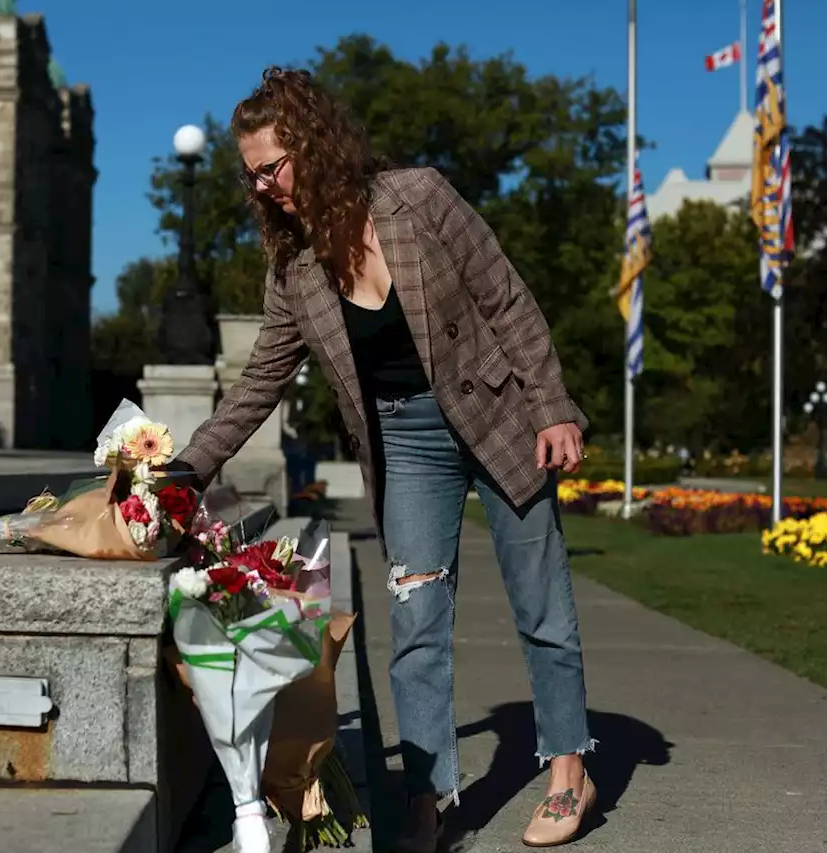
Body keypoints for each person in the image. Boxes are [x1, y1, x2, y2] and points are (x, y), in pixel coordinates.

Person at [168, 66, 596, 851]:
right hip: (406, 442)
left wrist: (554, 407)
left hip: (499, 417)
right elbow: (260, 377)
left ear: (315, 146)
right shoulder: (296, 270)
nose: (262, 187)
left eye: (273, 166)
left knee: (541, 605)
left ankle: (569, 769)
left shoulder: (419, 199)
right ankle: (429, 796)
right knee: (415, 622)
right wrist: (188, 469)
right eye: (250, 174)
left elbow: (508, 300)